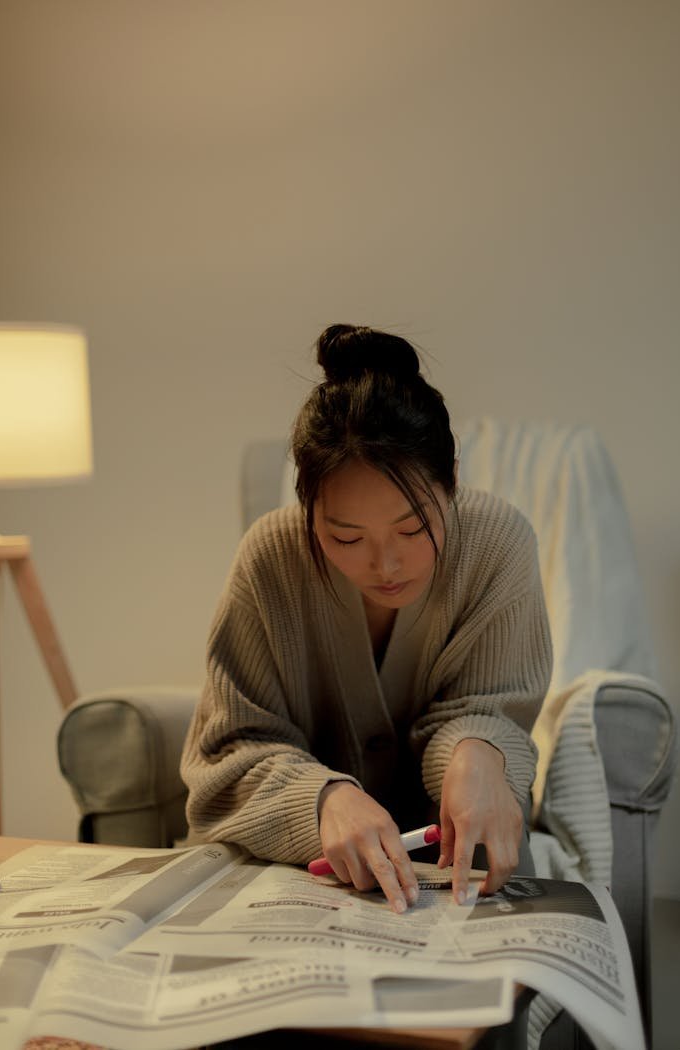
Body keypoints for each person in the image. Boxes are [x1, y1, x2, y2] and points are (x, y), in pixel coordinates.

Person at [180, 324, 552, 915]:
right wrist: (321, 800)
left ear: (451, 478)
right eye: (345, 536)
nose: (385, 564)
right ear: (308, 504)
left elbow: (493, 706)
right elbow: (228, 752)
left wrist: (479, 750)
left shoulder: (496, 543)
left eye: (412, 528)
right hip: (297, 884)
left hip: (450, 881)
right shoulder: (270, 557)